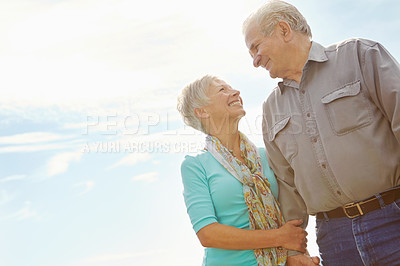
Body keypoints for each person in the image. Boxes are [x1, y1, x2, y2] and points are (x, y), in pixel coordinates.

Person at [243, 1, 400, 265]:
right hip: (334, 239)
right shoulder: (271, 109)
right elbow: (287, 186)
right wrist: (294, 251)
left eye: (255, 47)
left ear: (283, 30)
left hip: (392, 219)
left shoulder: (360, 55)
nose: (255, 61)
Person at [177, 75, 319, 265]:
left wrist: (294, 254)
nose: (236, 92)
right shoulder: (195, 166)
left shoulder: (266, 155)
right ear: (202, 111)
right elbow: (208, 233)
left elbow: (288, 209)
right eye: (222, 90)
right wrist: (278, 237)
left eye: (231, 88)